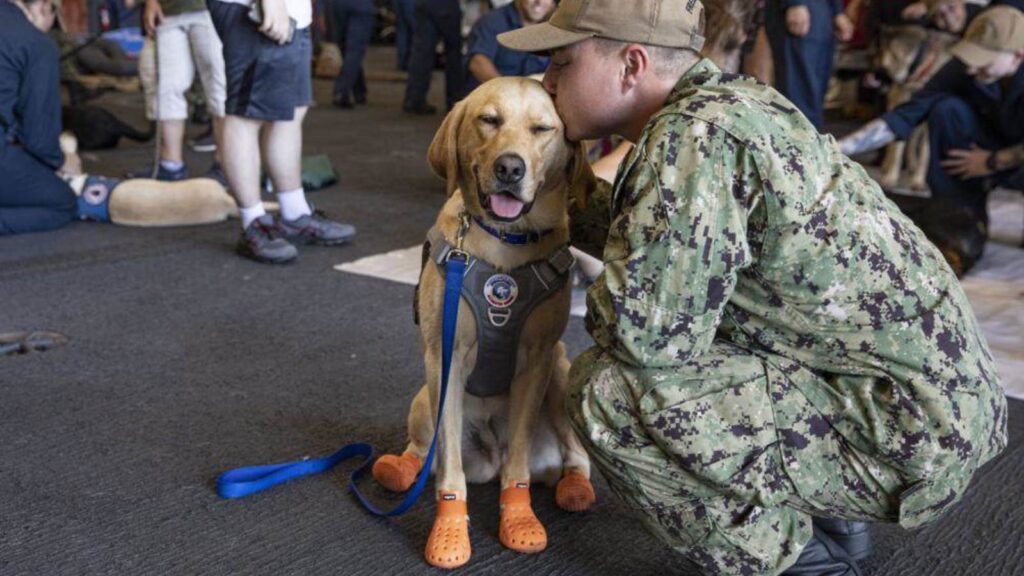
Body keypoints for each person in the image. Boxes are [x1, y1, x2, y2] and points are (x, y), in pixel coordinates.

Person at [498, 0, 1007, 574]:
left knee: (607, 392)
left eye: (563, 63)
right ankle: (837, 528)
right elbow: (677, 246)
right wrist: (563, 192)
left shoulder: (692, 138)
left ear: (631, 65)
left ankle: (805, 565)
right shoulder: (732, 103)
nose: (548, 81)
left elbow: (645, 338)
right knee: (721, 319)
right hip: (926, 399)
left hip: (907, 431)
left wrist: (607, 275)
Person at [839, 6, 1024, 274]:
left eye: (984, 60)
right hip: (986, 147)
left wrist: (992, 162)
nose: (972, 69)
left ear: (1018, 57)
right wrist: (838, 148)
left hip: (1011, 160)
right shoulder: (966, 67)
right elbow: (906, 113)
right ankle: (963, 216)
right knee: (946, 110)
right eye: (971, 56)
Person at [208, 0, 356, 263]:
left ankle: (294, 214)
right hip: (254, 7)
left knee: (291, 112)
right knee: (245, 116)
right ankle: (253, 223)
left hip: (293, 11)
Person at [0, 0, 78, 236]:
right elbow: (40, 139)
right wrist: (64, 161)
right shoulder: (37, 44)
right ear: (44, 7)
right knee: (62, 202)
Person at [129, 0, 227, 181]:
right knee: (165, 85)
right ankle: (170, 165)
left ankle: (226, 167)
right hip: (168, 11)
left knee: (221, 88)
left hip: (215, 8)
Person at [764, 0, 854, 129]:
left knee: (814, 98)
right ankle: (798, 147)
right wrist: (795, 3)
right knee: (799, 100)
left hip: (821, 10)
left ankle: (809, 145)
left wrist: (837, 10)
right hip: (801, 8)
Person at [462, 0, 554, 95]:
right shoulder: (491, 21)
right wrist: (507, 92)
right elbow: (477, 62)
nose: (539, 1)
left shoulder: (551, 27)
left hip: (529, 98)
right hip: (492, 97)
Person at [402, 0, 462, 115]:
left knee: (422, 52)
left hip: (422, 3)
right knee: (453, 53)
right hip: (445, 5)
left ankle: (414, 99)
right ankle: (454, 101)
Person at [329, 0, 376, 109]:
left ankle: (359, 91)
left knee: (345, 49)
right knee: (354, 51)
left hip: (338, 5)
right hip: (361, 5)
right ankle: (342, 91)